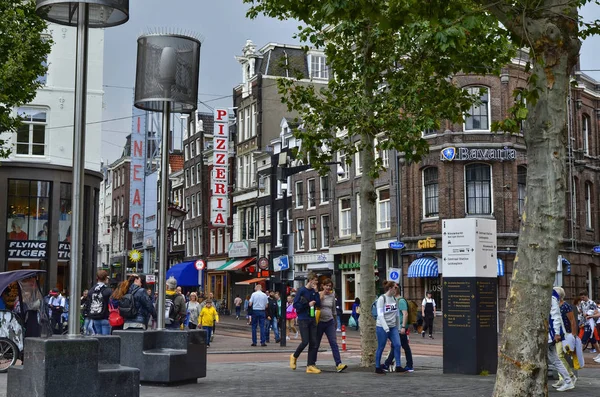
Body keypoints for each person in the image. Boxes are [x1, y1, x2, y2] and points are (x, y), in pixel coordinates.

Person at [290, 272, 321, 374]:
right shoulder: (302, 290)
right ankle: (294, 356)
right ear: (310, 280)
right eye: (315, 281)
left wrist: (316, 292)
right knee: (305, 341)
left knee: (314, 342)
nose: (316, 283)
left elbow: (319, 304)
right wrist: (307, 304)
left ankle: (310, 365)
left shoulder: (314, 291)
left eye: (317, 281)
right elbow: (296, 304)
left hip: (312, 318)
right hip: (303, 318)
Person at [316, 278, 347, 372]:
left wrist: (335, 321)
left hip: (329, 321)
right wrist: (321, 295)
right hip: (319, 322)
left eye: (330, 286)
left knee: (333, 343)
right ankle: (312, 363)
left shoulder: (332, 295)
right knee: (316, 343)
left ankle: (338, 364)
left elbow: (333, 309)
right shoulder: (318, 294)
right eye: (326, 286)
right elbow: (316, 305)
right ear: (323, 286)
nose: (328, 288)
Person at [548, 287, 575, 391]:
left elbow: (556, 316)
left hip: (552, 334)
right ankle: (568, 379)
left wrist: (557, 333)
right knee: (556, 358)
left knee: (555, 358)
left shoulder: (552, 297)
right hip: (552, 333)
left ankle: (568, 380)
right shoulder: (553, 297)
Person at [383, 285, 413, 372]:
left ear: (395, 291)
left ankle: (387, 364)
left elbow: (405, 314)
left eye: (391, 290)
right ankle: (409, 365)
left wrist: (403, 326)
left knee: (397, 346)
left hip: (400, 328)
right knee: (401, 346)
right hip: (397, 327)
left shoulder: (401, 301)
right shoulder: (395, 300)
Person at [375, 281, 401, 375]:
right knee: (381, 347)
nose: (396, 289)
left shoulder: (394, 299)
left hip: (393, 327)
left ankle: (398, 366)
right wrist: (386, 328)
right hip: (382, 327)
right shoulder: (382, 299)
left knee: (397, 345)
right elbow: (380, 315)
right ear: (390, 288)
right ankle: (377, 367)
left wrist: (398, 327)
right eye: (395, 287)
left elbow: (397, 314)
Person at [86, 270, 113, 335]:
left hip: (95, 317)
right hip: (105, 317)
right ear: (106, 278)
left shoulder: (91, 290)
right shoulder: (108, 291)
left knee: (99, 337)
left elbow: (88, 304)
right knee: (106, 340)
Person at [578, 291, 600, 357]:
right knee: (593, 340)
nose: (582, 299)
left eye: (583, 297)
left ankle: (578, 355)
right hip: (584, 323)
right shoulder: (582, 303)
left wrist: (589, 315)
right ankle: (599, 354)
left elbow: (595, 312)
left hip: (590, 323)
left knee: (584, 339)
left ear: (586, 296)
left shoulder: (592, 303)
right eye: (581, 297)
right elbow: (580, 311)